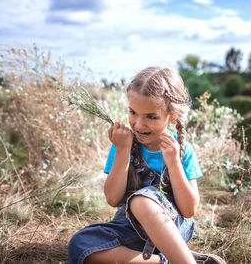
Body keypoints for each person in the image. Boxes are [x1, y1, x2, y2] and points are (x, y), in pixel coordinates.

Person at [68, 67, 226, 264]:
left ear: (172, 115)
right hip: (131, 229)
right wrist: (123, 151)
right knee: (80, 245)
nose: (139, 125)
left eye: (151, 117)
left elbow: (189, 210)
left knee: (140, 200)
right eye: (133, 113)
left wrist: (174, 163)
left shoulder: (182, 150)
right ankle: (165, 260)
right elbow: (112, 198)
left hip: (173, 227)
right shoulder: (122, 146)